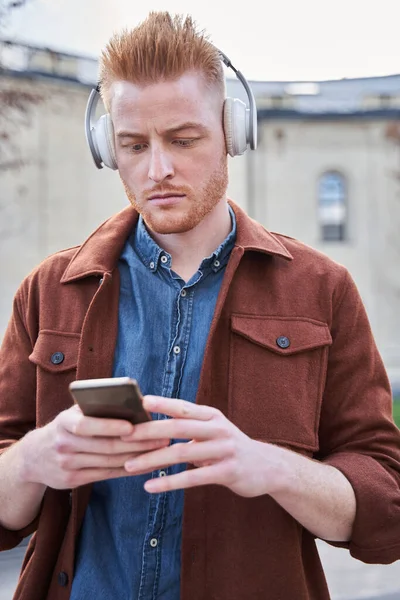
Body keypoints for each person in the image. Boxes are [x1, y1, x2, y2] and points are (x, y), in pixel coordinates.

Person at [0, 11, 399, 600]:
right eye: (134, 145)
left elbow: (386, 510)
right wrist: (31, 459)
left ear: (232, 133)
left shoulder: (323, 289)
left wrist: (273, 468)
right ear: (107, 148)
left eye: (184, 140)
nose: (158, 169)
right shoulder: (48, 290)